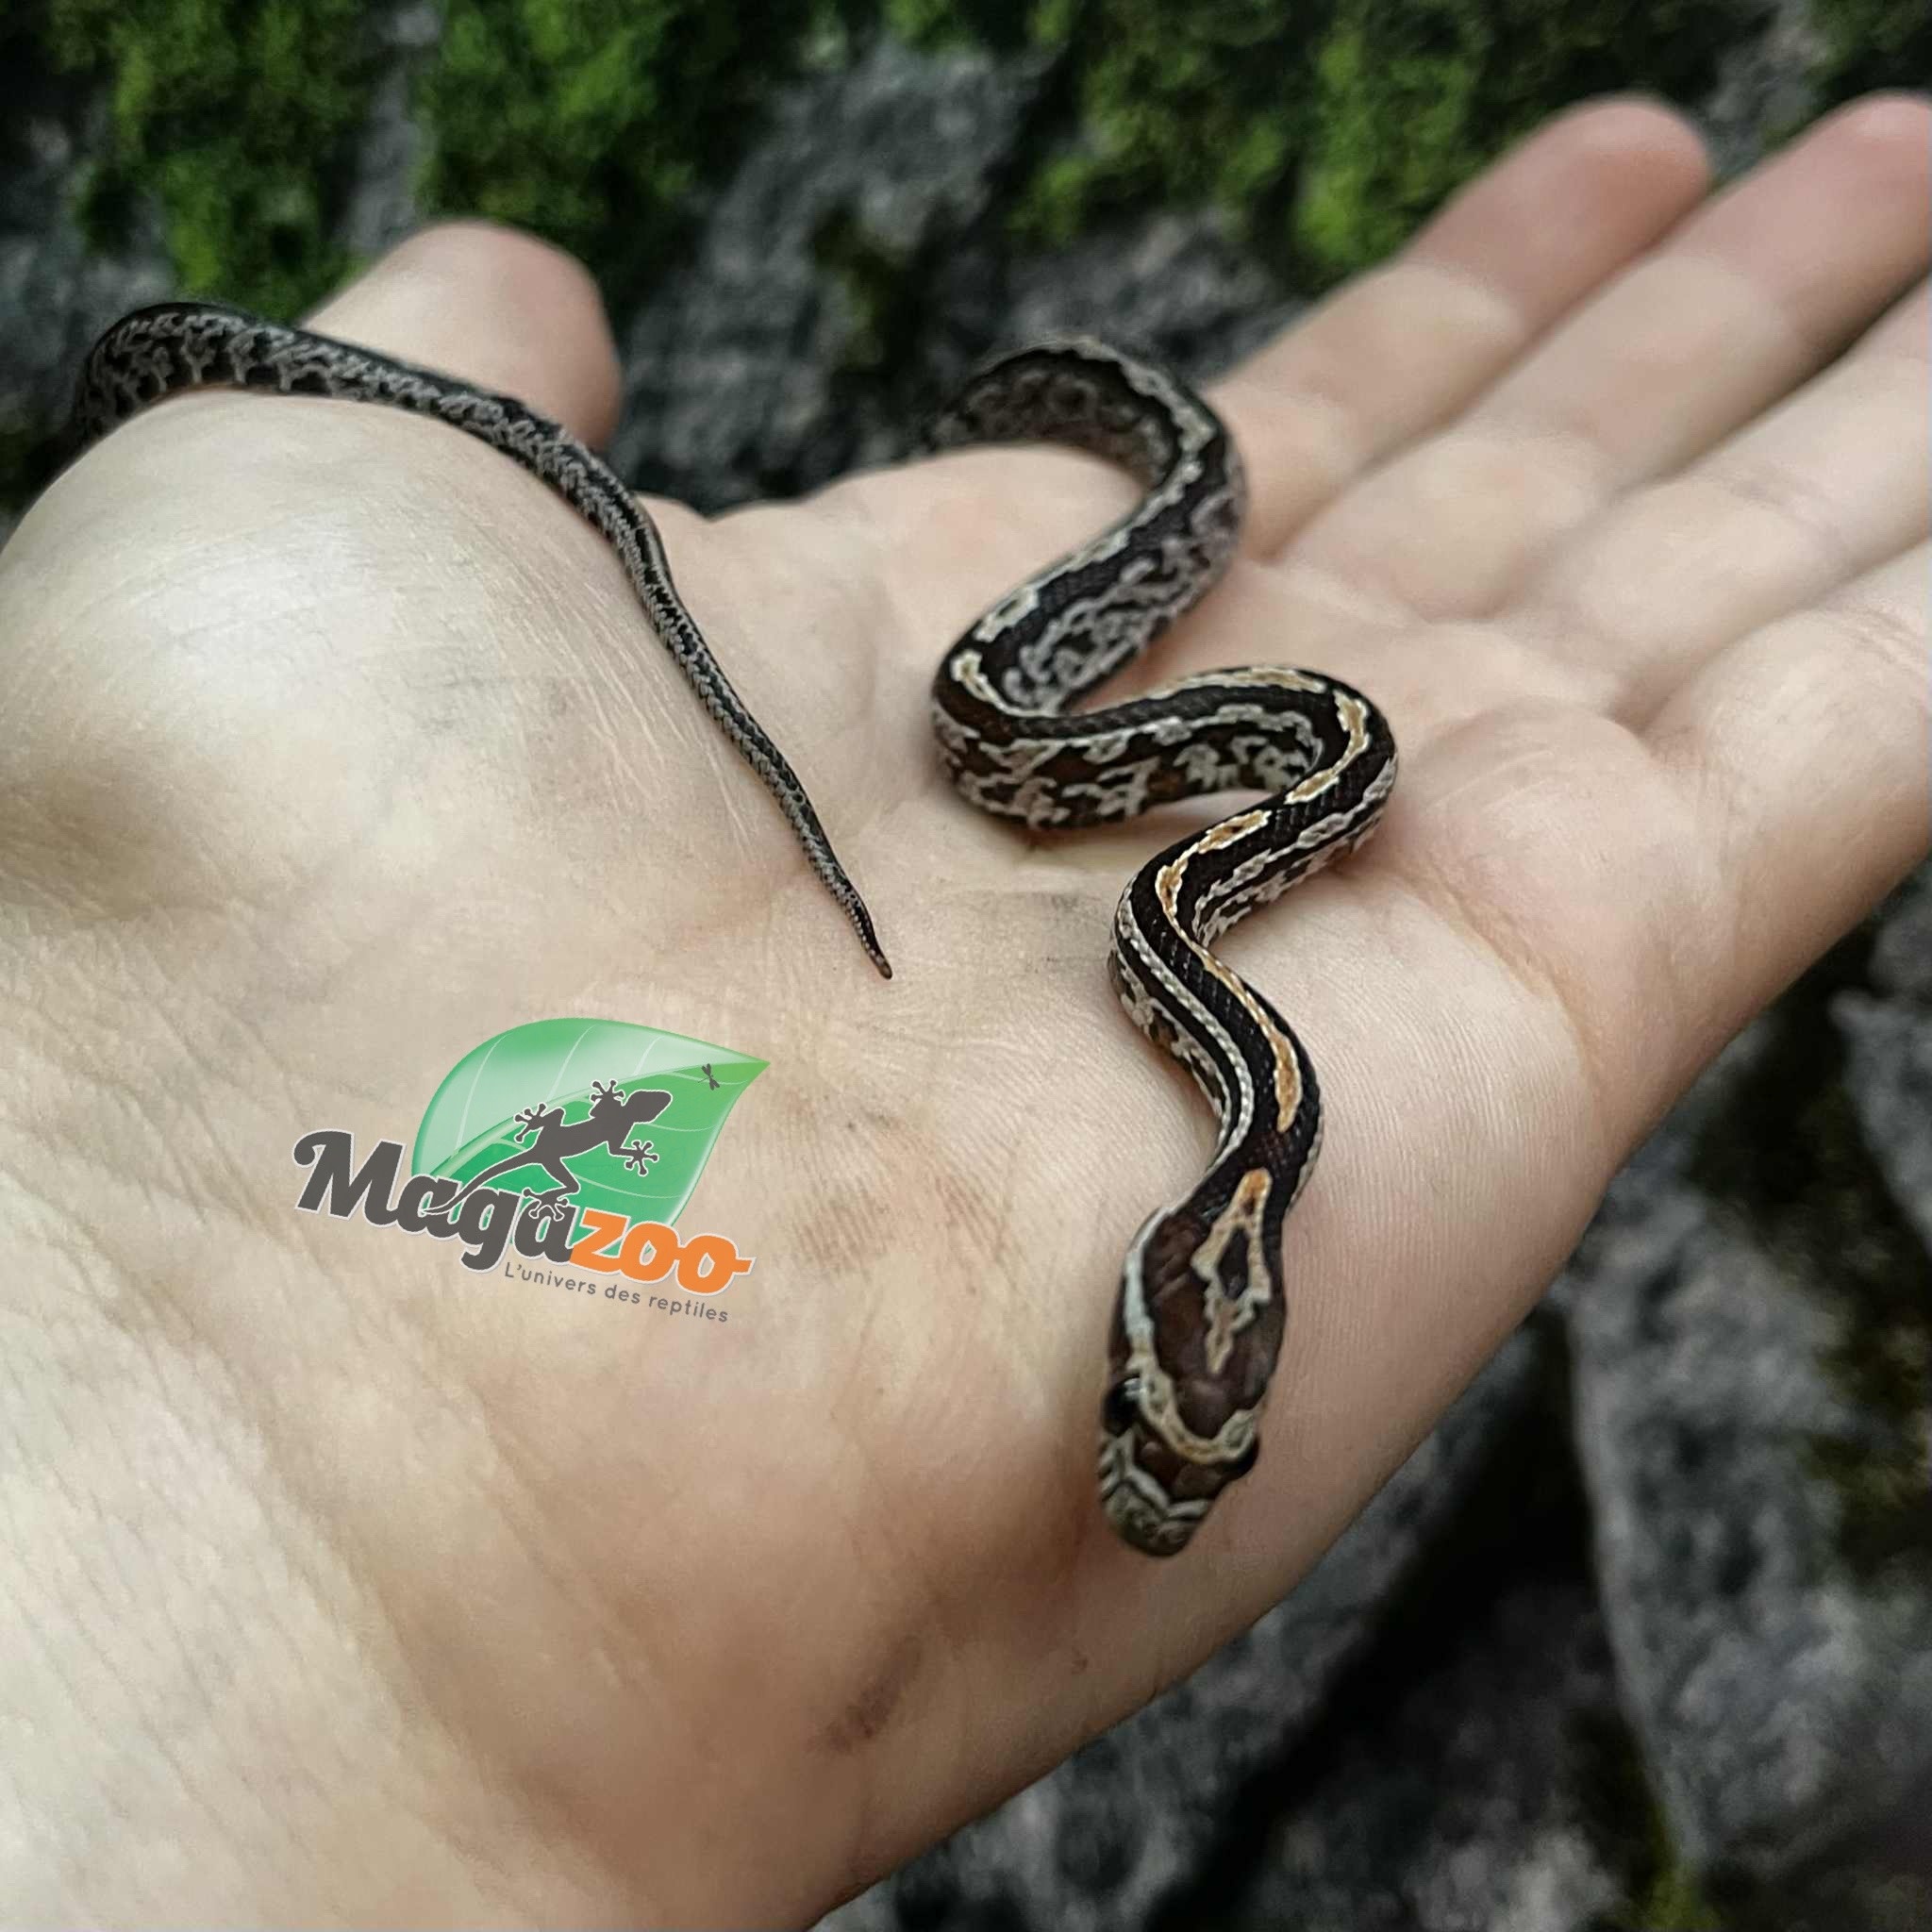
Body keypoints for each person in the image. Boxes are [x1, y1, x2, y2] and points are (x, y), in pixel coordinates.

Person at [1, 90, 1924, 1925]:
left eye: (1171, 1438)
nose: (1146, 1487)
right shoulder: (1218, 1020)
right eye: (1166, 1425)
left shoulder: (1231, 1035)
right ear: (1178, 1296)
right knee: (1009, 714)